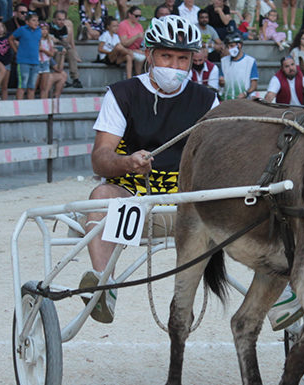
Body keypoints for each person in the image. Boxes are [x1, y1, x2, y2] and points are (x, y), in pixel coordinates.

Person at [80, 15, 218, 323]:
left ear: (192, 60)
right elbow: (99, 158)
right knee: (101, 195)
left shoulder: (207, 99)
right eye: (166, 56)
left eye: (183, 59)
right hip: (134, 194)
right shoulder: (122, 95)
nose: (174, 66)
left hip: (187, 200)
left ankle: (283, 298)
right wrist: (127, 161)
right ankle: (103, 286)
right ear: (150, 53)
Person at [12, 10, 45, 99]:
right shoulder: (22, 30)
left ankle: (30, 107)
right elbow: (11, 39)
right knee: (22, 85)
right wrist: (16, 51)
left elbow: (38, 43)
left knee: (32, 86)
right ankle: (18, 107)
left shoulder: (39, 31)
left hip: (35, 61)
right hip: (23, 61)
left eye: (37, 20)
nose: (36, 23)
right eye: (33, 20)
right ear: (27, 22)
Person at [48, 9, 82, 88]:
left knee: (70, 52)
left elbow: (64, 41)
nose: (62, 22)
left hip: (60, 46)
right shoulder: (49, 27)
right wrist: (59, 42)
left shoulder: (64, 28)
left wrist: (63, 43)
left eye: (63, 20)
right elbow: (51, 41)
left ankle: (75, 78)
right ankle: (59, 76)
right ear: (54, 19)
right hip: (51, 50)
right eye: (59, 19)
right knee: (59, 51)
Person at [219, 32, 258, 100]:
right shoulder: (224, 61)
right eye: (228, 47)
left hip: (244, 101)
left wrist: (245, 93)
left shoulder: (250, 61)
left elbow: (254, 85)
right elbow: (221, 84)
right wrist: (221, 82)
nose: (230, 49)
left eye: (231, 46)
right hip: (227, 100)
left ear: (239, 45)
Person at [119, 6, 148, 74]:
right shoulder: (123, 25)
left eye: (140, 16)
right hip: (125, 50)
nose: (138, 18)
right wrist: (136, 36)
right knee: (140, 57)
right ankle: (138, 76)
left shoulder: (139, 26)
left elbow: (142, 43)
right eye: (136, 16)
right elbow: (124, 43)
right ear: (130, 14)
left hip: (138, 50)